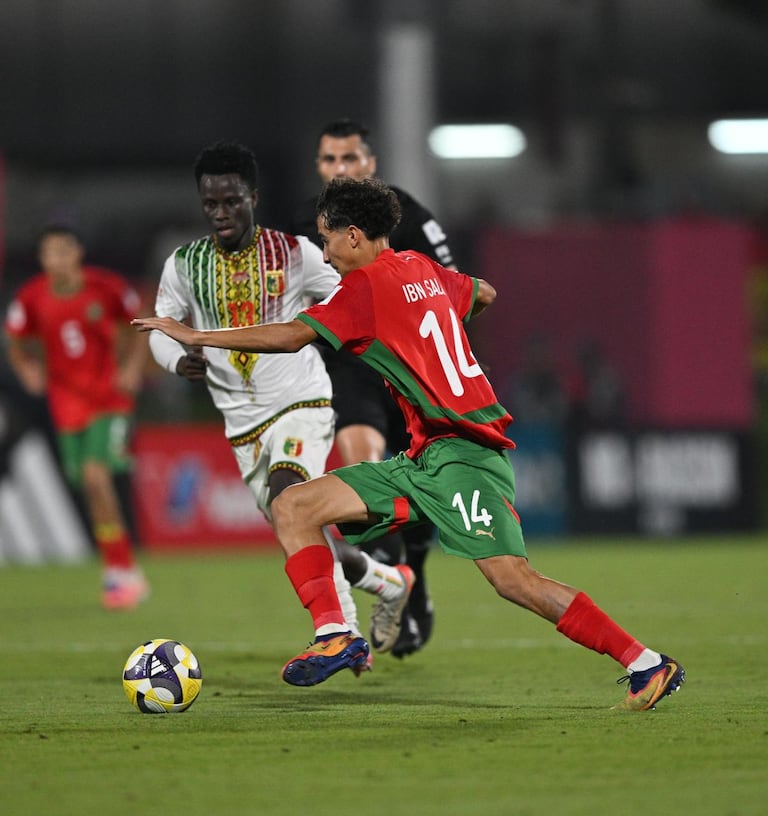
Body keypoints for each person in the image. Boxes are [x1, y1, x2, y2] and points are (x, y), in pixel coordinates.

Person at [134, 176, 686, 711]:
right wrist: (446, 346)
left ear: (353, 235)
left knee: (513, 580)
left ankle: (645, 662)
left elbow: (291, 334)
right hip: (423, 460)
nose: (324, 254)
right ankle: (335, 633)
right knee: (294, 506)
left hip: (465, 457)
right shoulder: (420, 267)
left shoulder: (363, 288)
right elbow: (484, 293)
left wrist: (197, 334)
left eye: (327, 239)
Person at [146, 141, 413, 662]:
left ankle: (338, 632)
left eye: (231, 201)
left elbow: (357, 289)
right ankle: (387, 581)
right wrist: (177, 361)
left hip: (301, 403)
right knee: (301, 529)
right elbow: (161, 328)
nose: (221, 213)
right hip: (240, 424)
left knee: (288, 492)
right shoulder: (183, 265)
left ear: (253, 196)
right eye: (211, 204)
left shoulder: (296, 253)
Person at [292, 118, 452, 657]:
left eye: (348, 159)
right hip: (355, 369)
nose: (339, 169)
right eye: (329, 161)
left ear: (370, 164)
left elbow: (453, 292)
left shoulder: (405, 216)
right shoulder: (312, 225)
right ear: (320, 167)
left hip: (410, 372)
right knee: (367, 466)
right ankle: (394, 585)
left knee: (418, 494)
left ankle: (416, 580)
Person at [4, 225, 149, 609]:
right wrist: (26, 369)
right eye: (50, 253)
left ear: (77, 253)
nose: (57, 260)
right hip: (66, 405)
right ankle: (118, 568)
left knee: (95, 476)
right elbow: (15, 339)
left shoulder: (105, 287)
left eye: (63, 251)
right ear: (43, 259)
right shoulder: (32, 297)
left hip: (108, 398)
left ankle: (122, 571)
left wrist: (133, 367)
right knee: (85, 483)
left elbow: (139, 323)